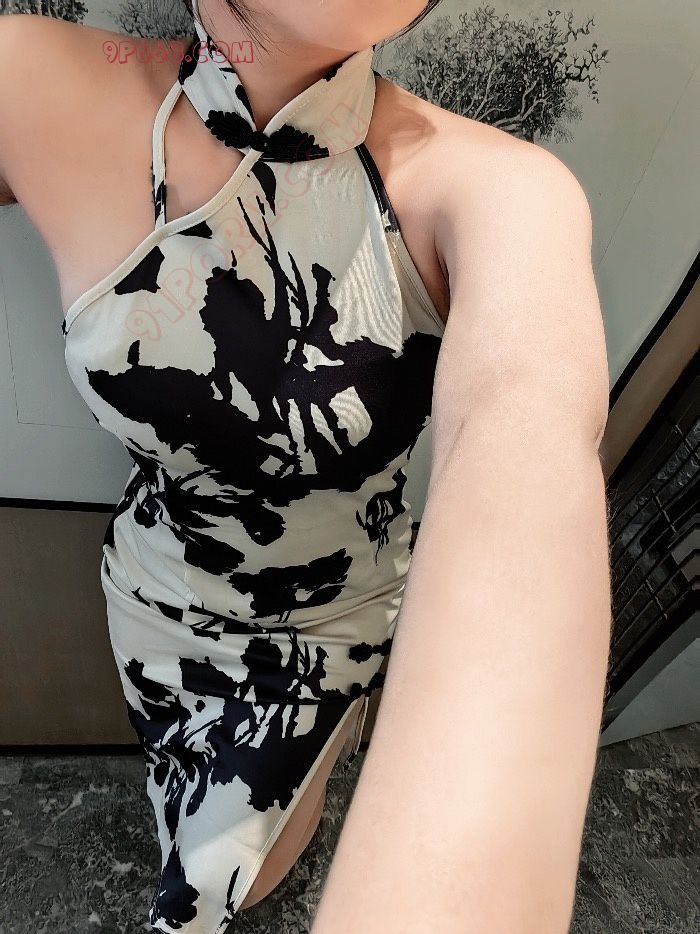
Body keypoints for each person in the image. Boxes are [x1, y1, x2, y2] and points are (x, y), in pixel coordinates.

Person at [0, 1, 612, 932]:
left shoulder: (501, 193)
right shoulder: (32, 77)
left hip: (318, 638)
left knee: (225, 882)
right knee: (178, 804)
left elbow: (527, 447)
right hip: (153, 587)